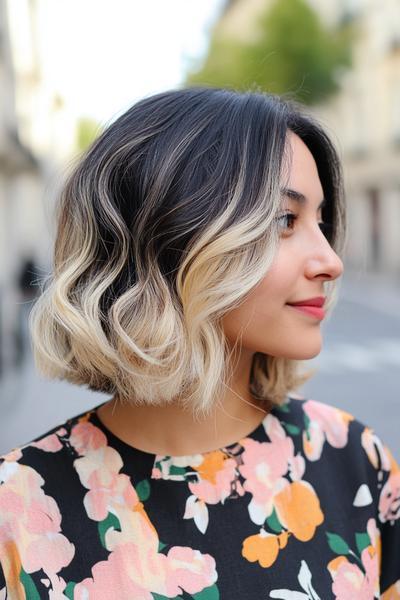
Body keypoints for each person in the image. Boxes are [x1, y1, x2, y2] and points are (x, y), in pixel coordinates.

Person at [0, 87, 399, 599]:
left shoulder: (354, 461)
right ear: (167, 241)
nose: (331, 261)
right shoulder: (19, 507)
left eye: (320, 222)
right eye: (285, 221)